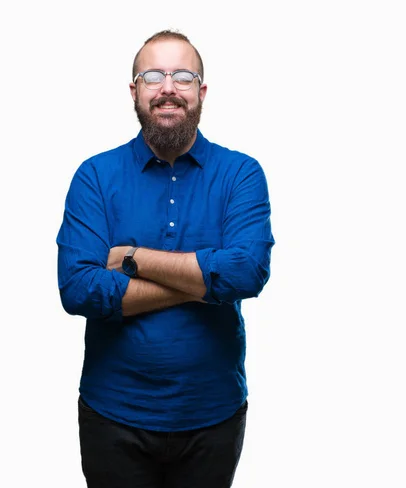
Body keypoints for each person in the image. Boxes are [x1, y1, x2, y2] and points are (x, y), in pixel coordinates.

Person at [56, 29, 274, 488]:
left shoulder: (241, 174)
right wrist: (200, 282)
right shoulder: (95, 176)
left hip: (213, 416)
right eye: (153, 76)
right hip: (112, 416)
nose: (168, 87)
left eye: (183, 76)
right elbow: (79, 290)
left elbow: (247, 271)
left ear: (202, 91)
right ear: (134, 91)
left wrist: (132, 258)